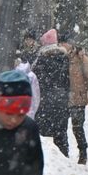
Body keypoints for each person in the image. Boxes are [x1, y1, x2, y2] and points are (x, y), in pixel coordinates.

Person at [59, 31, 88, 165]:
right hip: (63, 98)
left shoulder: (81, 58)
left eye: (65, 43)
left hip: (78, 98)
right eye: (61, 43)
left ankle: (83, 152)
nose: (63, 45)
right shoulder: (61, 57)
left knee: (77, 127)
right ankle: (63, 154)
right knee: (61, 126)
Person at [32, 29, 71, 157]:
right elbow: (68, 81)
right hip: (61, 100)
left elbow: (36, 80)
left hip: (45, 100)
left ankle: (40, 157)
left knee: (40, 132)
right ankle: (65, 157)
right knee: (60, 132)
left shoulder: (42, 59)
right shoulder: (65, 59)